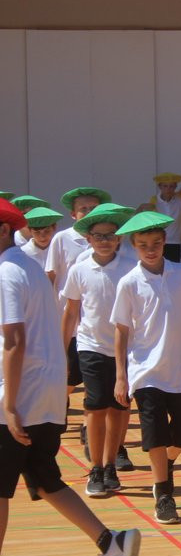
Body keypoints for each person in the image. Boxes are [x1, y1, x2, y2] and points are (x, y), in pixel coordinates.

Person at [0, 198, 141, 556]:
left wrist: (9, 406)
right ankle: (111, 542)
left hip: (19, 396)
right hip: (42, 393)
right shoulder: (25, 266)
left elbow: (14, 339)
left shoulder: (7, 272)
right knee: (45, 480)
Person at [111, 212, 181, 525]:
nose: (151, 249)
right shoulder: (129, 282)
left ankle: (166, 463)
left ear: (164, 243)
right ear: (133, 246)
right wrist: (121, 375)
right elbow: (121, 330)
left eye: (157, 243)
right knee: (155, 436)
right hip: (146, 373)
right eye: (144, 244)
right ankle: (164, 494)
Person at [61, 204, 138, 496]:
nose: (104, 241)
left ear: (119, 238)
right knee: (94, 406)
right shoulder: (79, 270)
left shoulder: (131, 268)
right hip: (90, 347)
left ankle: (110, 463)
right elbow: (70, 312)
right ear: (88, 239)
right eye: (98, 236)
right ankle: (95, 467)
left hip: (126, 349)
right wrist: (61, 348)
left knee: (120, 406)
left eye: (110, 235)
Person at [47, 187, 110, 396]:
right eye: (83, 209)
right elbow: (52, 276)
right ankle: (59, 410)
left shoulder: (108, 239)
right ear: (73, 214)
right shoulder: (62, 239)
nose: (89, 212)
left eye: (94, 208)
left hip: (98, 320)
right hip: (70, 319)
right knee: (70, 374)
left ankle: (87, 424)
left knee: (95, 376)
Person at [20, 206, 64, 271]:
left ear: (54, 228)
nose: (42, 236)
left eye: (47, 231)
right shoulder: (22, 254)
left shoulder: (61, 251)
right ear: (30, 231)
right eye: (37, 232)